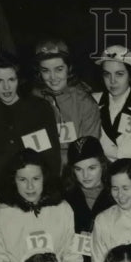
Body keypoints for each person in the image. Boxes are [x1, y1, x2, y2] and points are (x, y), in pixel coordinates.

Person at [0, 149, 85, 262]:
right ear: (14, 180)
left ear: (44, 178)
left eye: (36, 178)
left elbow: (71, 255)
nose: (30, 186)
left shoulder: (62, 208)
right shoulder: (2, 215)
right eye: (23, 180)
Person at [0, 50, 62, 200]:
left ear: (20, 80)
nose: (6, 87)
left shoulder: (39, 109)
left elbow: (51, 160)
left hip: (32, 195)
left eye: (11, 80)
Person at [31, 37, 101, 170]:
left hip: (76, 173)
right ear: (39, 72)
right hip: (44, 174)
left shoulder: (84, 103)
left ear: (69, 69)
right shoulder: (33, 101)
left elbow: (88, 151)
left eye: (59, 69)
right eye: (45, 70)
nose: (53, 77)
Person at [61, 136, 114, 262]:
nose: (85, 175)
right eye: (79, 169)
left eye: (92, 168)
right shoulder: (64, 197)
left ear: (103, 165)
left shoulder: (117, 193)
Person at [92, 45, 131, 179]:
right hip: (101, 177)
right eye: (107, 74)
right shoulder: (92, 102)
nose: (112, 81)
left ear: (130, 75)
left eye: (119, 74)